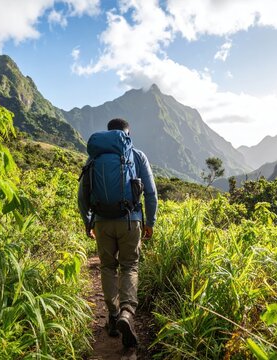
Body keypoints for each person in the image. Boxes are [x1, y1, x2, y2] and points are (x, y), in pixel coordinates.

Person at [78, 118, 158, 348]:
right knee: (130, 266)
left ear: (108, 133)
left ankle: (112, 315)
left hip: (102, 222)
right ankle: (127, 313)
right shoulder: (137, 155)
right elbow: (151, 193)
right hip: (130, 221)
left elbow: (82, 196)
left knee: (108, 267)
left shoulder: (94, 158)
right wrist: (149, 222)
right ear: (127, 133)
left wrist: (88, 222)